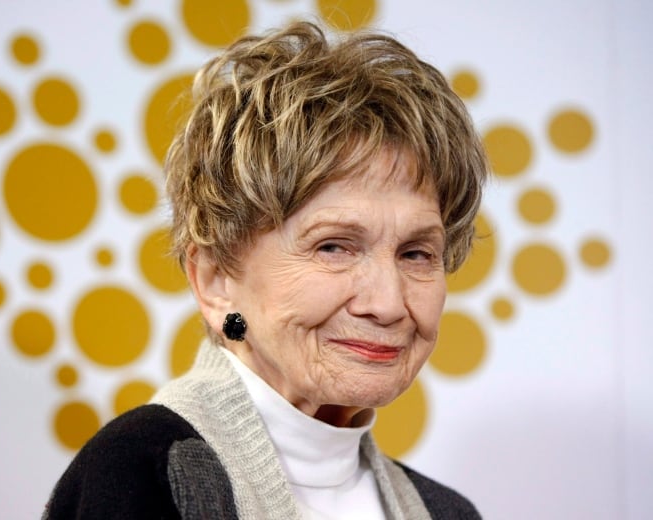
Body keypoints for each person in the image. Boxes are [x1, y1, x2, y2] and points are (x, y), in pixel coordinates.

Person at [44, 21, 487, 519]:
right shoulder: (145, 476)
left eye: (415, 254)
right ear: (215, 281)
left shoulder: (447, 512)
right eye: (334, 247)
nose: (386, 303)